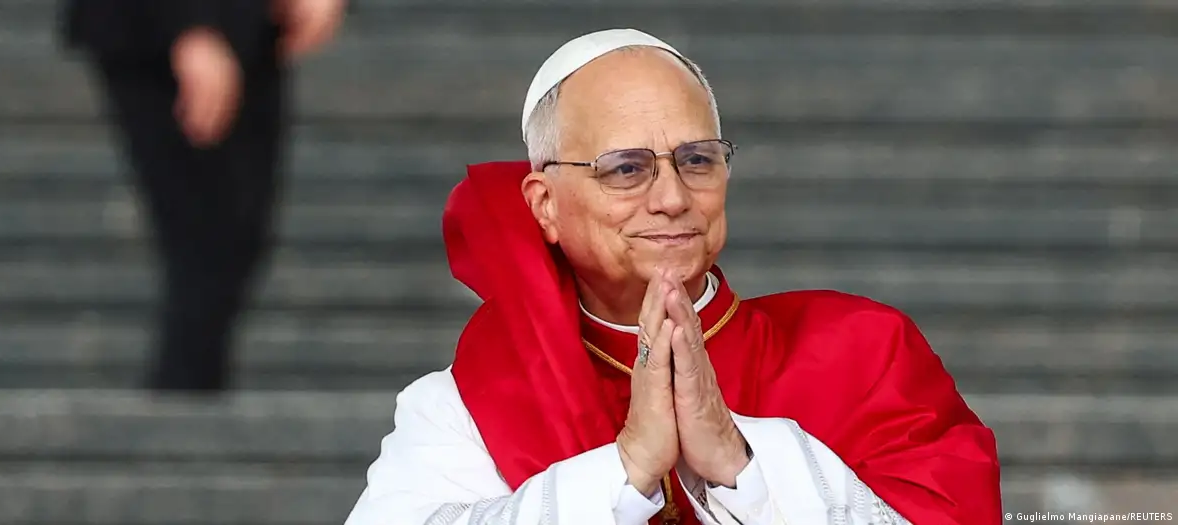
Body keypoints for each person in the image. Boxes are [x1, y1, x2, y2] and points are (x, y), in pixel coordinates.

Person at [344, 29, 1002, 525]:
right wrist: (627, 467)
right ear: (545, 205)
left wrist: (742, 461)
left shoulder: (864, 350)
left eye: (697, 160)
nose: (671, 197)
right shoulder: (464, 404)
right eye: (626, 168)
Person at [58, 0, 346, 392]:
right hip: (157, 31)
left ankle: (185, 401)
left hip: (250, 28)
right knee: (208, 240)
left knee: (232, 237)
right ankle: (180, 405)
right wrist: (189, 25)